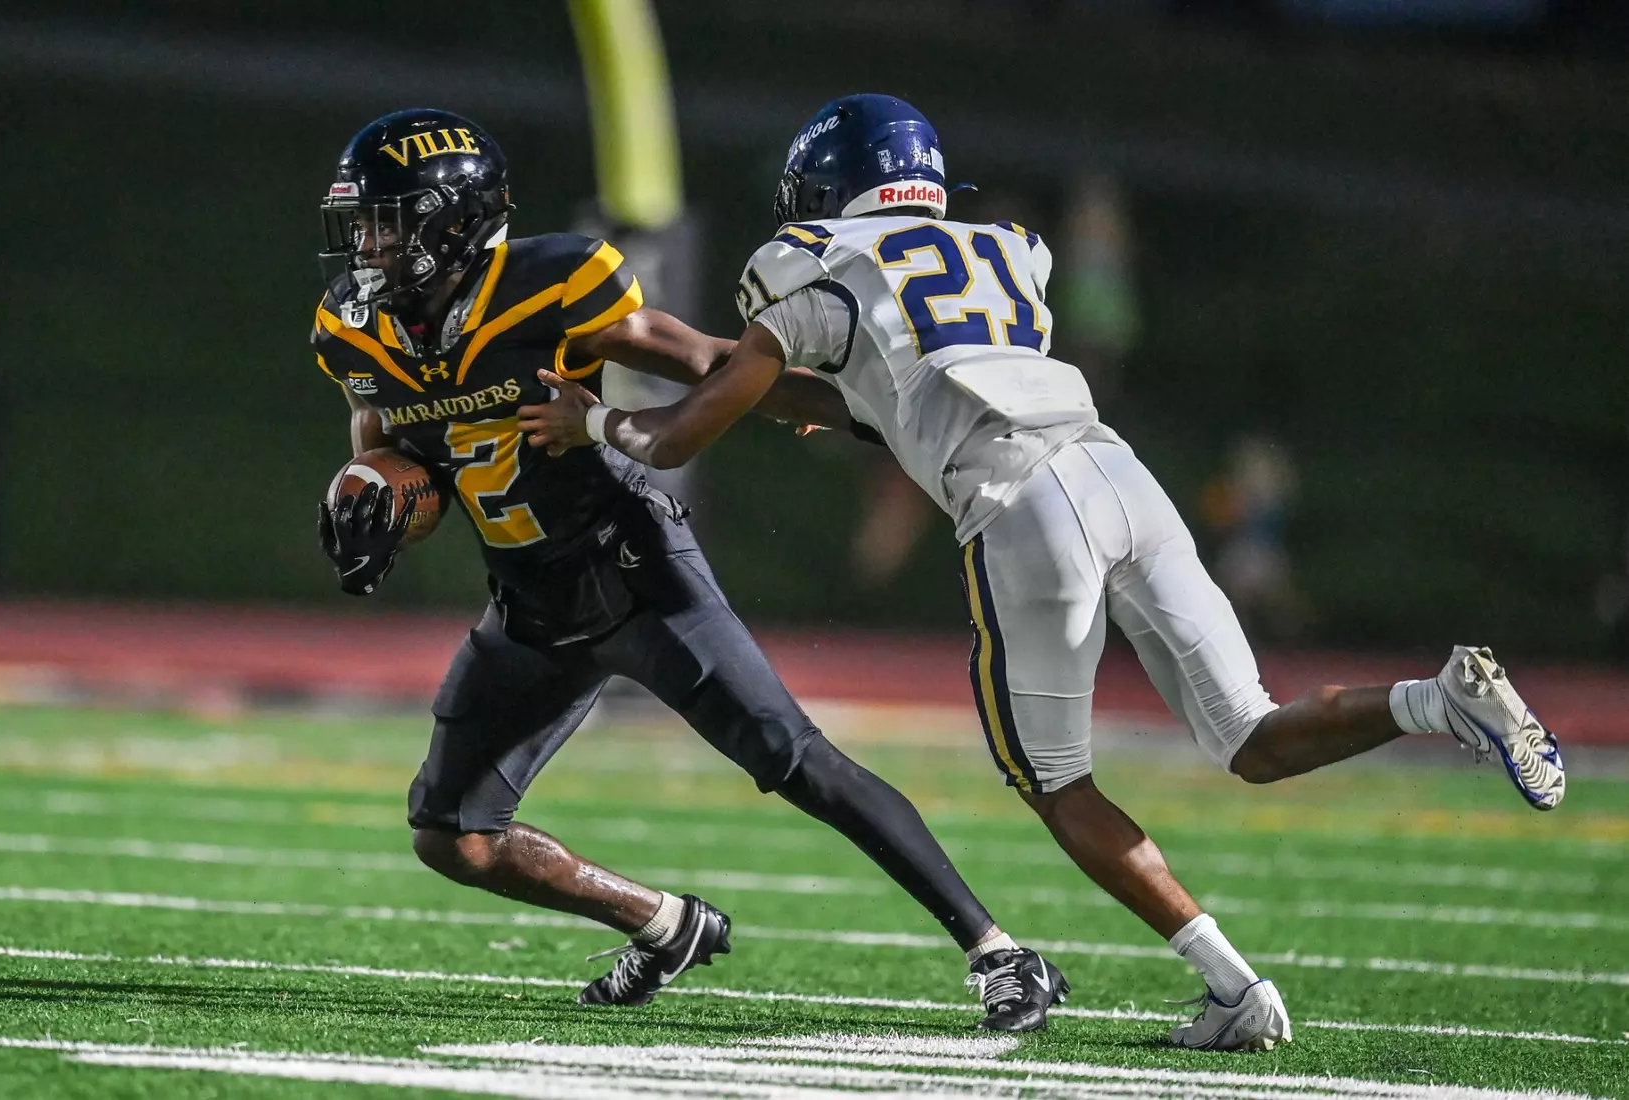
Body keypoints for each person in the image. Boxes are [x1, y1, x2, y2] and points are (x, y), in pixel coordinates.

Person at [518, 94, 1567, 1052]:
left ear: (831, 188)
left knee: (1054, 781)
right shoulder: (1006, 249)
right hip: (1117, 471)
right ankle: (1434, 699)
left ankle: (1234, 988)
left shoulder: (807, 260)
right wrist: (811, 398)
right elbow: (901, 394)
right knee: (1246, 734)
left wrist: (593, 418)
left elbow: (677, 435)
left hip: (1020, 504)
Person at [309, 108, 1066, 1031]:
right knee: (452, 839)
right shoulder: (354, 330)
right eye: (362, 223)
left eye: (387, 221)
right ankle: (663, 925)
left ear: (452, 220)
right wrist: (371, 501)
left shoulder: (546, 285)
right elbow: (394, 460)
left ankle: (1001, 951)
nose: (368, 244)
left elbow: (708, 359)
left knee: (797, 762)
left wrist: (873, 418)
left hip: (634, 572)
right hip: (531, 605)